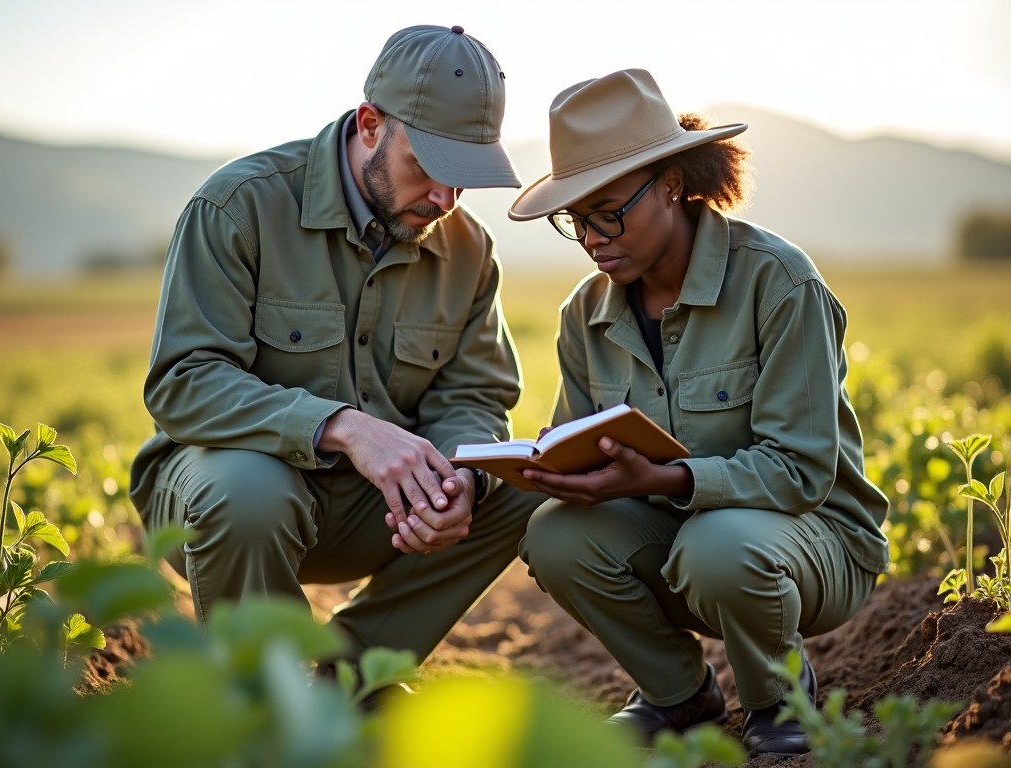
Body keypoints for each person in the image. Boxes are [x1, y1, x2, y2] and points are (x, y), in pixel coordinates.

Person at [129, 24, 545, 699]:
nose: (446, 199)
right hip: (225, 496)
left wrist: (459, 483)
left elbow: (473, 398)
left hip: (370, 511)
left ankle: (352, 675)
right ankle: (267, 695)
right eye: (430, 170)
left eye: (465, 180)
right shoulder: (240, 206)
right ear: (371, 124)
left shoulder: (470, 250)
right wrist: (343, 427)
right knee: (250, 491)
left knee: (520, 486)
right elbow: (184, 382)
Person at [508, 69, 890, 756]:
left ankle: (781, 697)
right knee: (555, 536)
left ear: (672, 185)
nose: (592, 236)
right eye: (575, 218)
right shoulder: (584, 315)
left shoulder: (779, 282)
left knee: (720, 548)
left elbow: (802, 473)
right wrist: (562, 468)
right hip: (684, 540)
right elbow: (584, 448)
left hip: (812, 541)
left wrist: (665, 481)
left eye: (609, 210)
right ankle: (679, 694)